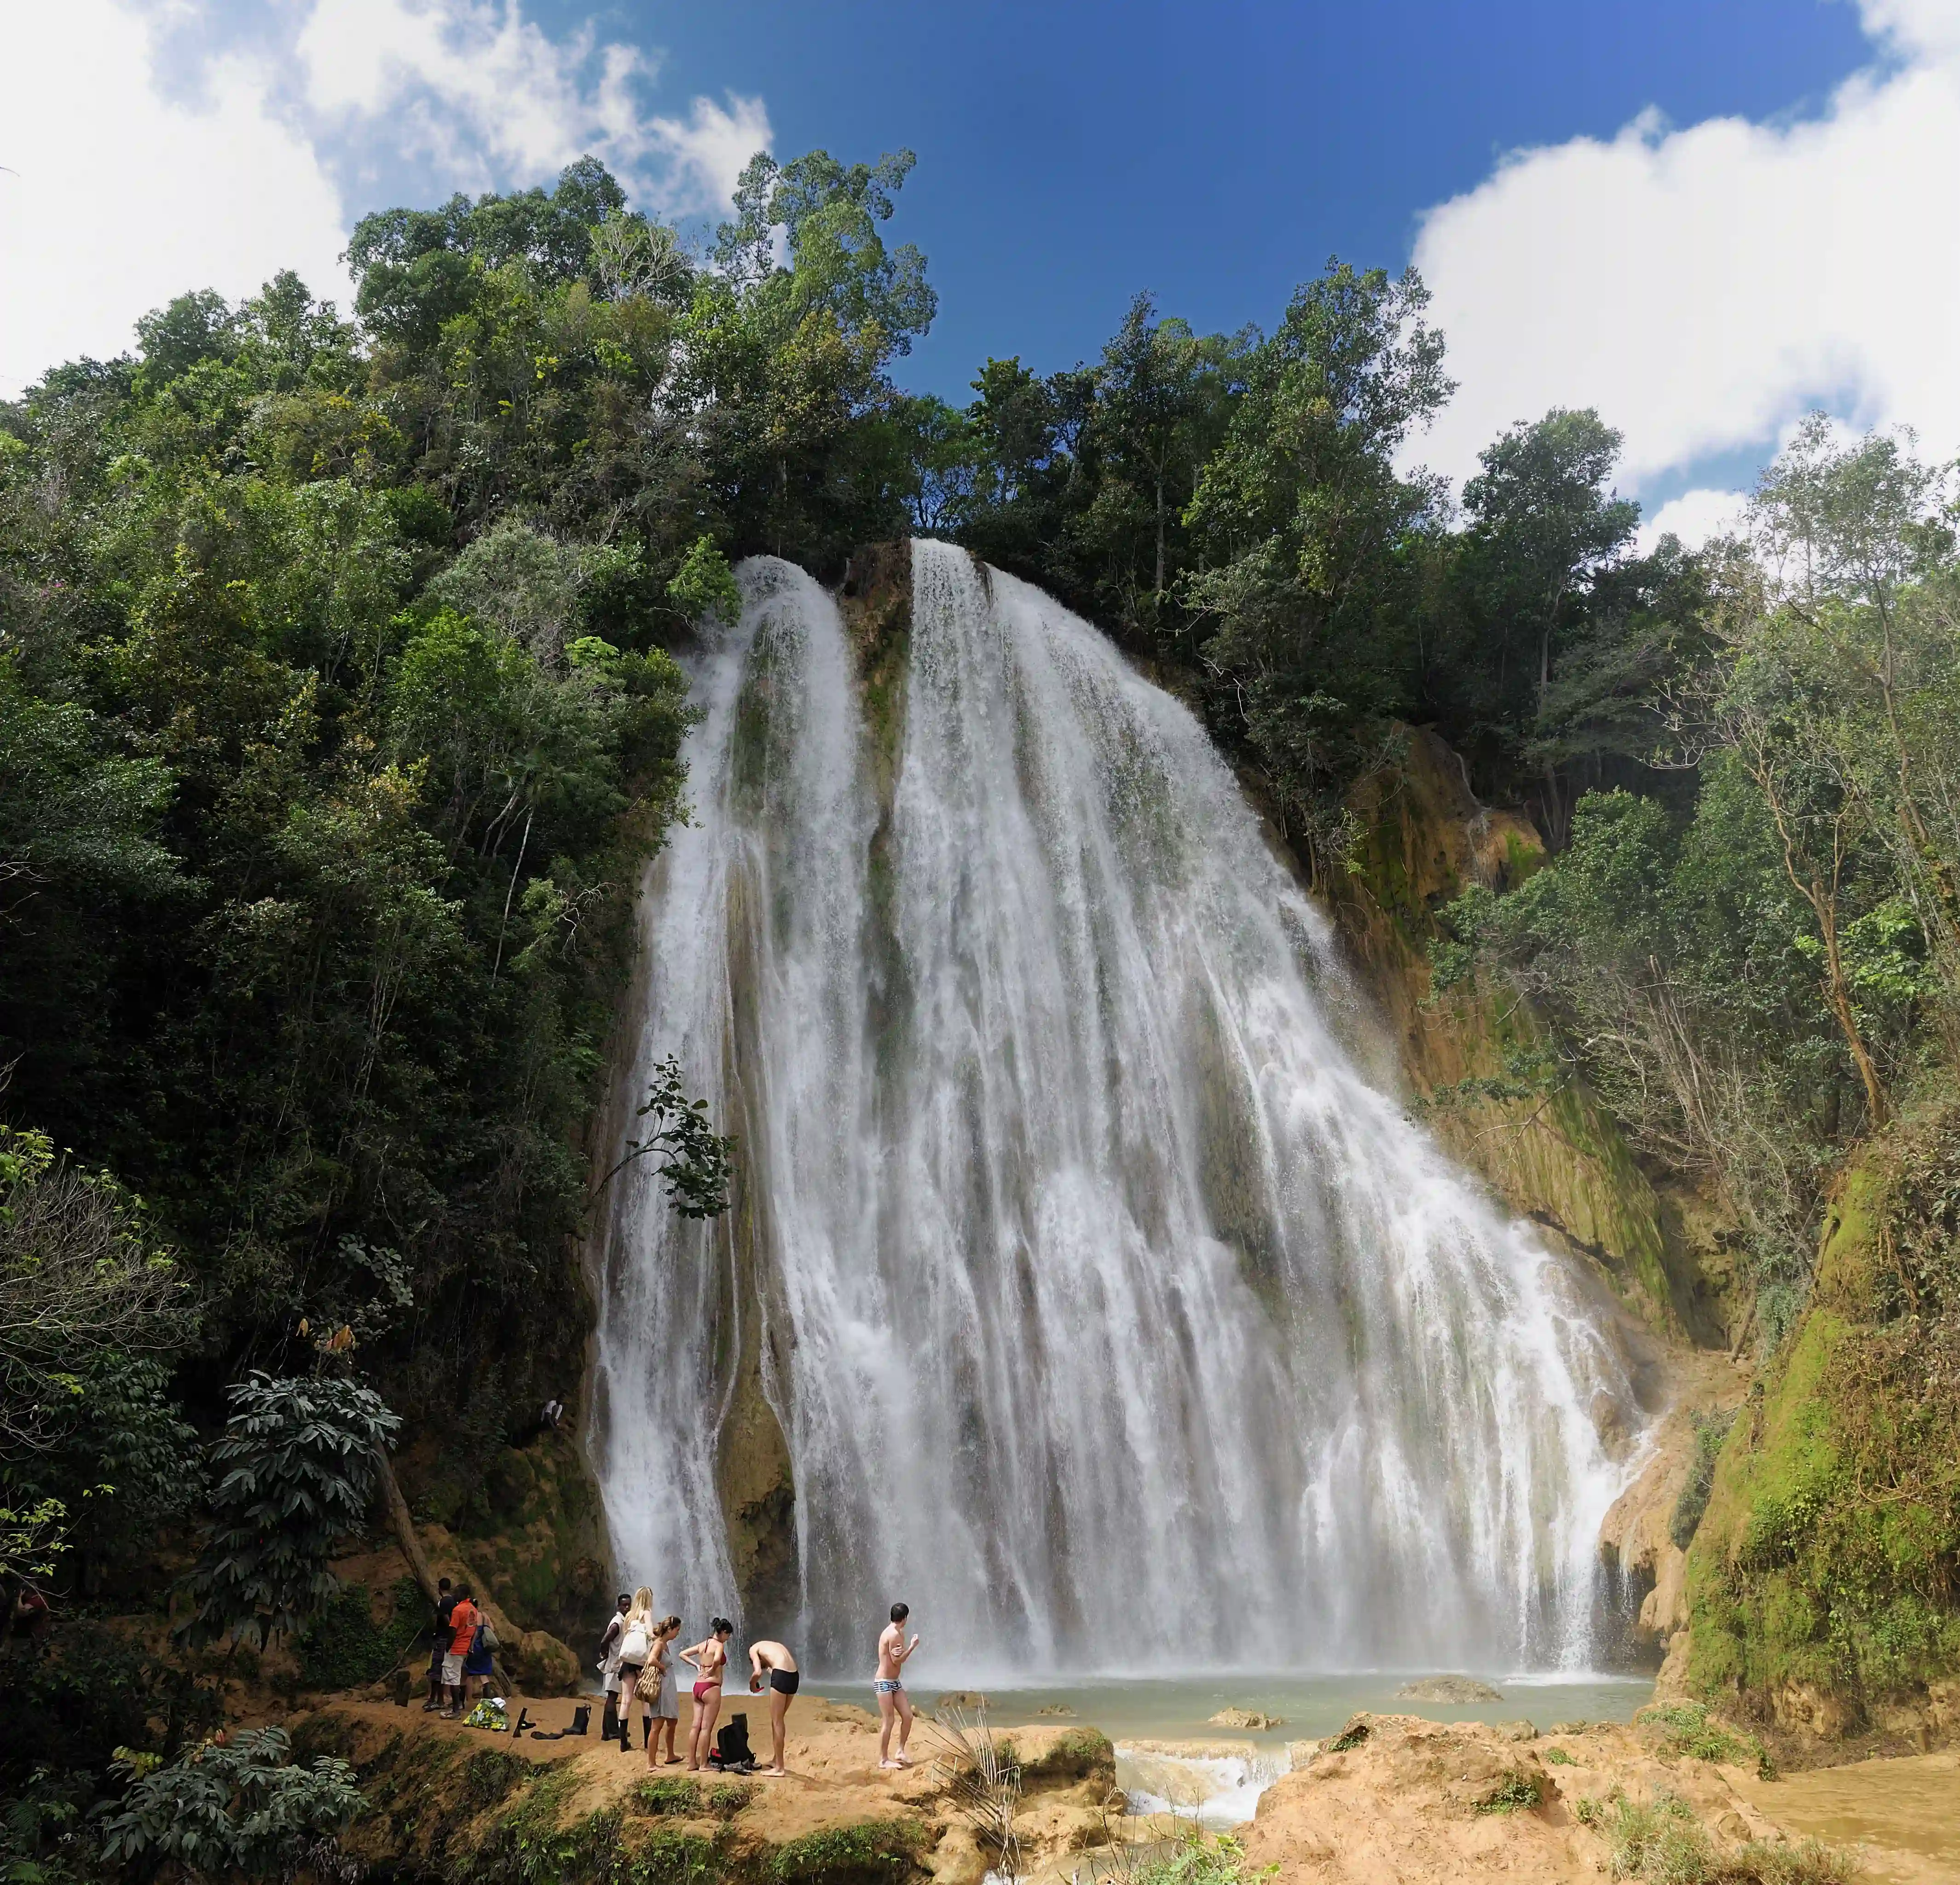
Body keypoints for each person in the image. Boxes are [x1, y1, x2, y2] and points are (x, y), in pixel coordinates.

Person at [678, 1617, 733, 1771]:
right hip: (712, 1687)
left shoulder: (703, 1644)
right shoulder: (719, 1645)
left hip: (698, 1686)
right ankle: (703, 1764)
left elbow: (682, 1654)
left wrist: (697, 1666)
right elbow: (717, 1659)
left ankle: (691, 1763)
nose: (728, 1638)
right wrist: (712, 1669)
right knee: (706, 1728)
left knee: (695, 1726)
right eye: (728, 1635)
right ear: (723, 1632)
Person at [873, 1602, 920, 1769]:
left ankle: (900, 1751)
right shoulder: (894, 1635)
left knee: (907, 1716)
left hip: (894, 1683)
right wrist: (912, 1647)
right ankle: (883, 1760)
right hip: (884, 1683)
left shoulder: (896, 1633)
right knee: (889, 1721)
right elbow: (897, 1660)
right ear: (905, 1618)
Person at [746, 1637, 799, 1777]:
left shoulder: (753, 1649)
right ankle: (776, 1760)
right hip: (794, 1676)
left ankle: (780, 1768)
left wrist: (752, 1685)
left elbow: (758, 1672)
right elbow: (774, 1668)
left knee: (777, 1722)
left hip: (782, 1675)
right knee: (779, 1719)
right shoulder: (772, 1646)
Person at [614, 1587, 656, 1752]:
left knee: (626, 1701)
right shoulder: (647, 1613)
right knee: (645, 1702)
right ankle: (647, 1743)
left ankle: (623, 1743)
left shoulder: (630, 1615)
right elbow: (651, 1634)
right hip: (641, 1663)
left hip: (628, 1663)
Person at [646, 1615, 682, 1765]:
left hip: (668, 1688)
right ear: (670, 1629)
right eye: (677, 1630)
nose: (678, 1634)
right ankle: (651, 1763)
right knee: (657, 1725)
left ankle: (671, 1755)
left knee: (673, 1721)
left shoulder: (665, 1644)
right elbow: (651, 1660)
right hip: (661, 1689)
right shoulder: (659, 1644)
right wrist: (662, 1668)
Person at [442, 1584, 480, 1717]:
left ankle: (456, 1710)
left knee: (453, 1679)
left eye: (457, 1592)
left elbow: (453, 1630)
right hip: (465, 1647)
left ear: (463, 1594)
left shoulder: (458, 1610)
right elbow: (474, 1629)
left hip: (456, 1647)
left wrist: (448, 1647)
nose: (454, 1595)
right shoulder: (473, 1610)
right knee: (458, 1676)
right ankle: (458, 1707)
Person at [598, 1592, 631, 1737]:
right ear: (618, 1606)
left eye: (629, 1605)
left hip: (616, 1664)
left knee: (612, 1696)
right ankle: (612, 1732)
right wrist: (604, 1654)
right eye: (625, 1605)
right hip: (614, 1665)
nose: (627, 1607)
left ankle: (607, 1733)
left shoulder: (622, 1621)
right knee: (612, 1697)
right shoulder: (618, 1623)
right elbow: (605, 1640)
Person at [425, 1578, 456, 1711]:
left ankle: (439, 1700)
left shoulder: (443, 1602)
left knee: (437, 1669)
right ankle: (437, 1699)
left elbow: (446, 1618)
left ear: (439, 1589)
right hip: (449, 1638)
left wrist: (449, 1628)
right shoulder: (454, 1601)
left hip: (442, 1638)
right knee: (443, 1669)